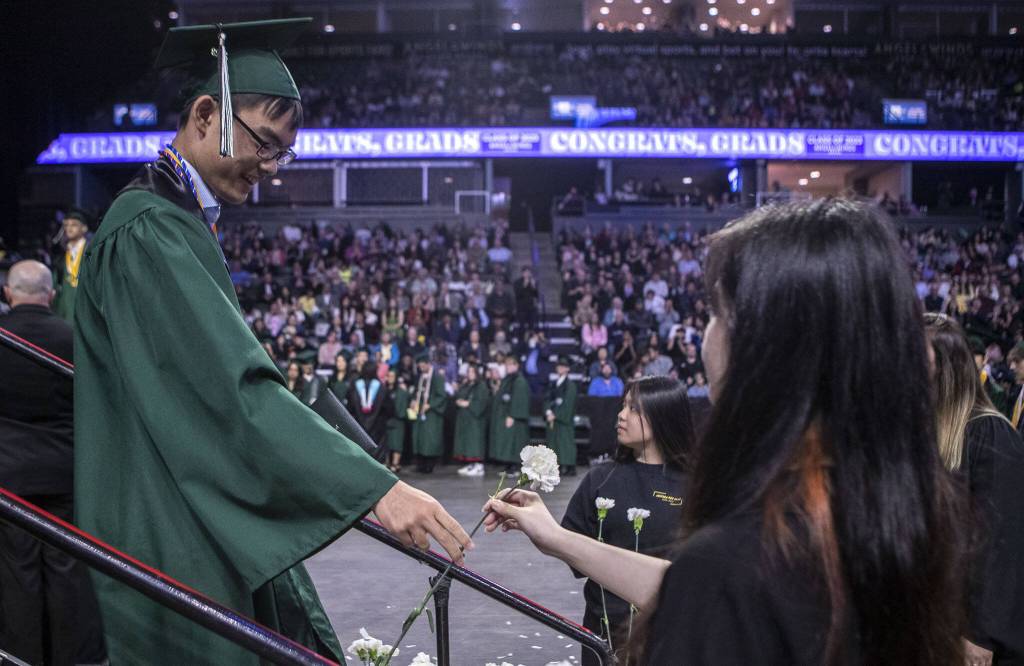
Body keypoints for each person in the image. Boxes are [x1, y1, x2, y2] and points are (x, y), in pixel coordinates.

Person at [72, 20, 471, 664]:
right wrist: (374, 487)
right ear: (206, 114)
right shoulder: (148, 230)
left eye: (282, 153)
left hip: (178, 500)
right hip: (160, 516)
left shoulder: (172, 222)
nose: (270, 168)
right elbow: (231, 393)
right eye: (262, 142)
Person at [484, 199, 966, 665]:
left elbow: (713, 586)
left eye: (715, 312)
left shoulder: (737, 558)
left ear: (764, 343)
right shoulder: (894, 511)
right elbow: (691, 586)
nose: (706, 337)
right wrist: (558, 538)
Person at [0, 261, 106, 665]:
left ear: (9, 294)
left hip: (9, 477)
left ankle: (21, 658)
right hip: (65, 471)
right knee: (66, 571)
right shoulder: (74, 338)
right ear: (52, 293)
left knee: (16, 574)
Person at [561, 376, 693, 666]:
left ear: (662, 415)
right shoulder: (600, 478)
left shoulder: (695, 486)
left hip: (670, 633)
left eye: (633, 409)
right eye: (623, 405)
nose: (621, 415)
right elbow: (571, 548)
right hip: (603, 635)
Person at [925, 313, 1024, 664]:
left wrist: (980, 634)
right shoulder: (929, 434)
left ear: (947, 370)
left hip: (976, 634)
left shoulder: (990, 435)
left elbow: (1002, 544)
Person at [490, 355, 530, 473]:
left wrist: (512, 415)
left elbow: (519, 399)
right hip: (504, 415)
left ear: (516, 365)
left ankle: (515, 466)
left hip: (513, 417)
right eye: (506, 364)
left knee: (514, 442)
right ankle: (508, 465)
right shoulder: (508, 379)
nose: (508, 367)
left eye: (511, 364)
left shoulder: (519, 380)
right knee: (507, 442)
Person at [52, 208, 90, 322]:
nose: (69, 228)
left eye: (74, 225)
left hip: (86, 310)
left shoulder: (92, 252)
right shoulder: (61, 256)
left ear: (84, 228)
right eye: (66, 225)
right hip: (65, 312)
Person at [411, 353, 447, 473]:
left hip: (432, 413)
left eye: (422, 366)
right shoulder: (420, 377)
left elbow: (442, 396)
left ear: (428, 364)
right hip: (419, 411)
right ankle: (421, 464)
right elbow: (416, 392)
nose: (421, 368)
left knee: (430, 439)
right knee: (420, 438)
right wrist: (413, 401)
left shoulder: (438, 378)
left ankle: (429, 465)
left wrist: (430, 405)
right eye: (419, 366)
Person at [454, 364, 491, 477]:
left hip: (476, 420)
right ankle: (471, 464)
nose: (469, 374)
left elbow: (482, 403)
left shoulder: (481, 386)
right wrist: (459, 401)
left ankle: (479, 466)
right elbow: (459, 395)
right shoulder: (466, 384)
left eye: (472, 372)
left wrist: (468, 403)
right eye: (468, 371)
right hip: (466, 420)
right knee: (468, 443)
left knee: (476, 442)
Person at [545, 356, 579, 476]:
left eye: (563, 366)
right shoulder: (554, 384)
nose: (560, 368)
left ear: (567, 369)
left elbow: (568, 403)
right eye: (559, 366)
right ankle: (557, 465)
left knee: (565, 442)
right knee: (554, 442)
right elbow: (547, 399)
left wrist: (556, 415)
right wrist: (548, 411)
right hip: (553, 417)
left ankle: (569, 465)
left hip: (564, 420)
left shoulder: (570, 386)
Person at [350, 361, 387, 446]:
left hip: (358, 425)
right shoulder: (381, 387)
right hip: (376, 427)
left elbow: (351, 406)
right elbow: (387, 408)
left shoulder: (355, 385)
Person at [383, 369, 409, 474]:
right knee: (386, 443)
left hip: (398, 420)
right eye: (388, 375)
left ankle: (395, 463)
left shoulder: (401, 391)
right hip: (386, 420)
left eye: (392, 376)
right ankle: (386, 462)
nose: (390, 377)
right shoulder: (384, 390)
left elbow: (402, 408)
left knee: (397, 442)